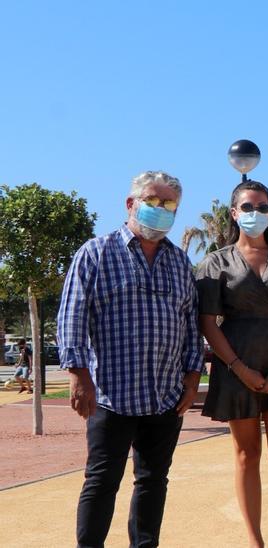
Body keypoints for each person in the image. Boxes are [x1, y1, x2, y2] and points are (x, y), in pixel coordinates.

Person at [58, 171, 204, 548]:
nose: (161, 210)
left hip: (165, 396)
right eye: (153, 202)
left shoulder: (179, 263)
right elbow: (72, 315)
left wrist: (191, 379)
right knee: (102, 479)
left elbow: (191, 325)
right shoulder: (96, 253)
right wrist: (77, 375)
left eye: (169, 205)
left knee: (154, 480)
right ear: (130, 204)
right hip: (111, 395)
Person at [196, 180, 268, 547]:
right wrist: (237, 366)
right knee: (247, 454)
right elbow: (207, 323)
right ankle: (255, 541)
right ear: (234, 213)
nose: (256, 213)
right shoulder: (215, 262)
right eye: (248, 207)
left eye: (263, 207)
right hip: (236, 369)